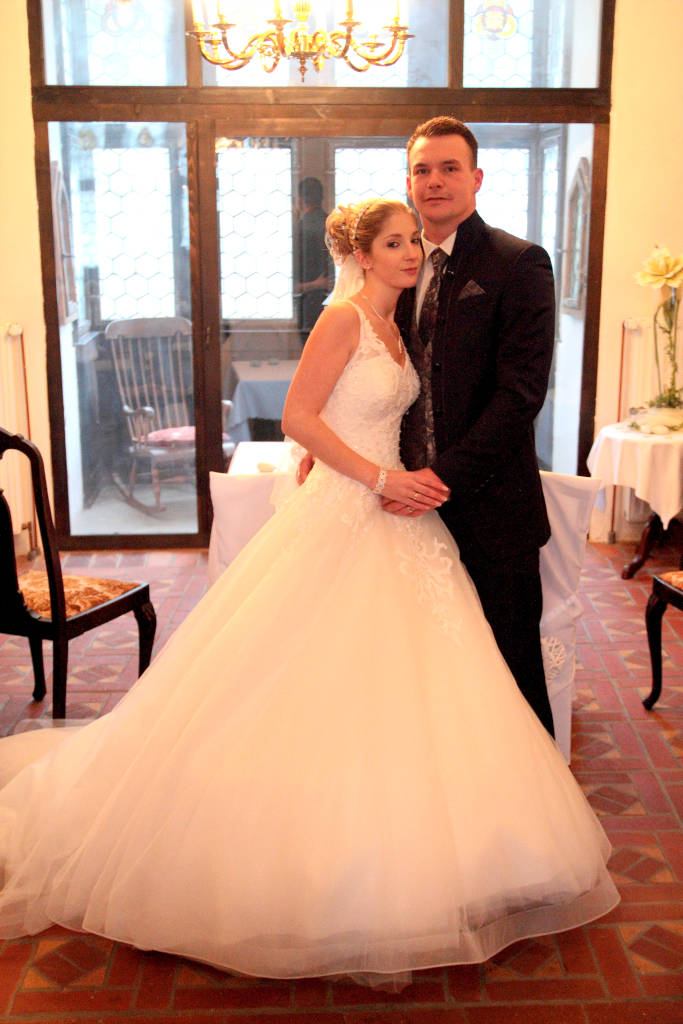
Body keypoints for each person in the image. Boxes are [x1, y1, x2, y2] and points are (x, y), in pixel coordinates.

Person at [0, 199, 617, 987]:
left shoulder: (399, 323)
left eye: (411, 242)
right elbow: (297, 415)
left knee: (426, 680)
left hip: (400, 519)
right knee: (301, 672)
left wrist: (387, 472)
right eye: (393, 243)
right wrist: (372, 474)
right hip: (346, 511)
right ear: (361, 255)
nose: (410, 253)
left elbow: (389, 412)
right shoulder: (343, 318)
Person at [391, 115, 557, 737]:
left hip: (492, 510)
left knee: (510, 668)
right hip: (405, 510)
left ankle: (535, 793)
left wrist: (442, 478)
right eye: (423, 170)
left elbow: (521, 394)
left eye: (449, 168)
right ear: (409, 182)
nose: (435, 181)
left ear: (477, 178)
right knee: (426, 668)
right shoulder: (395, 265)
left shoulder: (518, 262)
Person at [295, 176, 334, 345]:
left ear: (299, 199)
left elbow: (292, 284)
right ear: (322, 198)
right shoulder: (333, 227)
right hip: (335, 303)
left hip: (307, 306)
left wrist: (313, 285)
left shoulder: (298, 229)